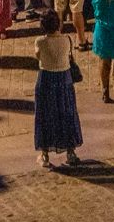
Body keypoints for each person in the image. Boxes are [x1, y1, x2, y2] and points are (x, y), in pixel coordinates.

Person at [33, 9, 83, 168]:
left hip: (46, 79)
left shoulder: (40, 41)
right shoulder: (67, 40)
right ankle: (70, 152)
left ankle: (44, 154)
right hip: (64, 79)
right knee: (67, 114)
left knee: (45, 115)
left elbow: (38, 56)